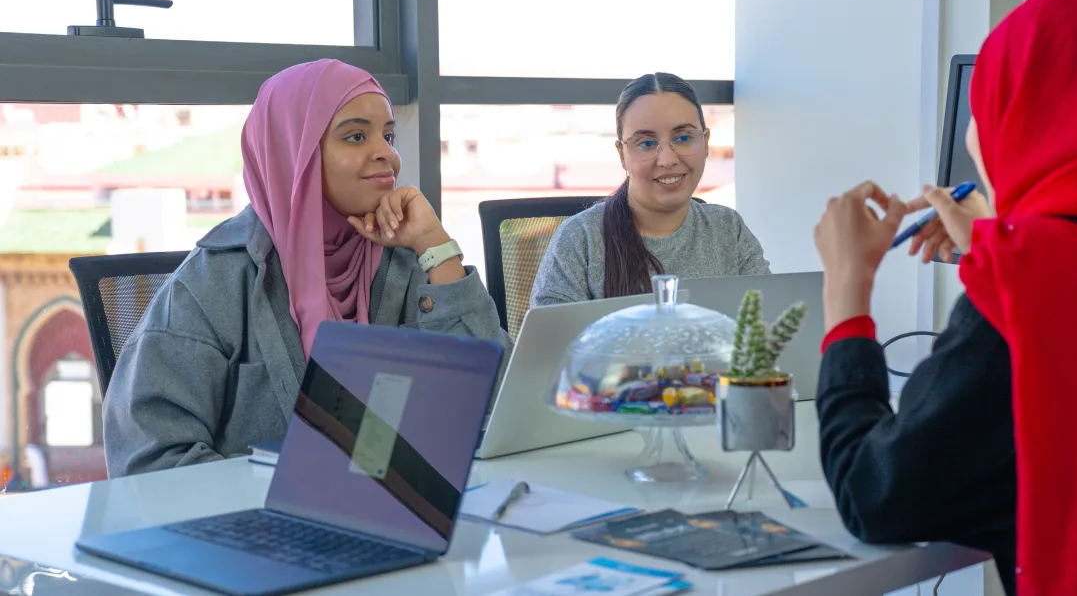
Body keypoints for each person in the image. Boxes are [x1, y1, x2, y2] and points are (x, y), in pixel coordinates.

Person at [812, 0, 1077, 595]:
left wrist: (846, 297)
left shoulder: (1041, 281)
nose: (975, 134)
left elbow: (876, 496)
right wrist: (1005, 247)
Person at [104, 59, 509, 477]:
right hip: (258, 531)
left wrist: (436, 246)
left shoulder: (407, 260)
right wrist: (288, 496)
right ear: (294, 152)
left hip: (408, 513)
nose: (387, 154)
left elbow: (494, 410)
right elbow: (148, 460)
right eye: (356, 136)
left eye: (389, 136)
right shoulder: (214, 283)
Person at [530, 72, 769, 305]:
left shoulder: (728, 229)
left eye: (683, 138)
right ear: (622, 154)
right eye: (646, 143)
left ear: (705, 143)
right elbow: (550, 343)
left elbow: (770, 325)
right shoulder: (580, 241)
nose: (667, 159)